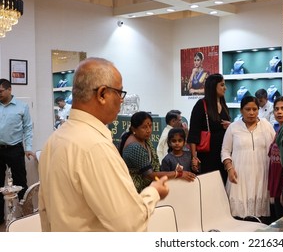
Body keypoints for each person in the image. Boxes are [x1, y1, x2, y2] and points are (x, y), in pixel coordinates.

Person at [38, 58, 169, 231]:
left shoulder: (54, 139)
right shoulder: (95, 146)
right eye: (119, 93)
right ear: (102, 94)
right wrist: (154, 192)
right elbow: (129, 223)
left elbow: (46, 213)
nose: (121, 101)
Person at [222, 96, 275, 220]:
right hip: (239, 174)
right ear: (241, 110)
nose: (251, 113)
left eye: (255, 109)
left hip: (262, 173)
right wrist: (229, 168)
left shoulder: (266, 125)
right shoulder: (233, 127)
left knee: (262, 217)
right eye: (247, 109)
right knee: (239, 216)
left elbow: (275, 147)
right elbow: (225, 151)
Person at [120, 111, 196, 193]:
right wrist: (178, 174)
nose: (148, 130)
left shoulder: (143, 139)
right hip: (136, 191)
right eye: (144, 127)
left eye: (150, 126)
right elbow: (150, 175)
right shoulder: (134, 147)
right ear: (134, 129)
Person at [0, 78, 36, 225]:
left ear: (10, 89)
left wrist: (28, 148)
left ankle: (26, 216)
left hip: (15, 149)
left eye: (1, 91)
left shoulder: (22, 107)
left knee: (21, 183)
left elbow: (28, 128)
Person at [188, 73, 231, 184]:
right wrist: (194, 157)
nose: (225, 88)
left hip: (224, 152)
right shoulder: (201, 105)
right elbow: (193, 133)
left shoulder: (223, 104)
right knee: (211, 185)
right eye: (222, 85)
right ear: (213, 86)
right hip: (208, 154)